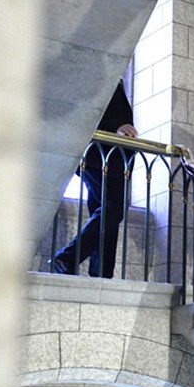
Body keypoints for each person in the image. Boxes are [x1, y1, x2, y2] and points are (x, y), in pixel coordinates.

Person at [52, 80, 138, 278]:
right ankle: (68, 257)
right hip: (97, 153)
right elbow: (82, 110)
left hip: (112, 157)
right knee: (114, 208)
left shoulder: (115, 76)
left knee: (106, 212)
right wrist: (115, 130)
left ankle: (101, 273)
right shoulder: (98, 70)